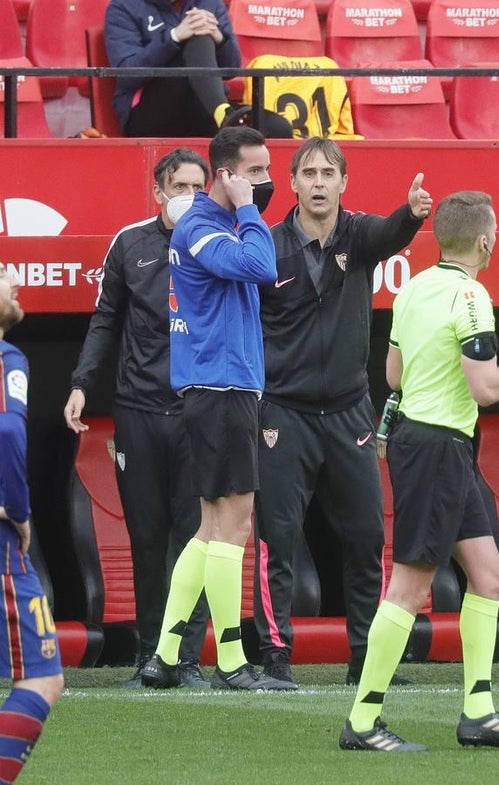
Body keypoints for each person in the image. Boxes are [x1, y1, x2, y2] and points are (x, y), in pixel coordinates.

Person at [340, 190, 499, 752]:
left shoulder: (412, 286)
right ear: (485, 241)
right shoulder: (471, 296)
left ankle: (479, 713)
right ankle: (362, 722)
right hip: (438, 446)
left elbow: (392, 375)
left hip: (436, 443)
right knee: (411, 586)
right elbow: (485, 389)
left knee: (489, 576)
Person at [256, 137, 430, 687]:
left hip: (351, 411)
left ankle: (367, 656)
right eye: (308, 173)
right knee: (276, 539)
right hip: (283, 413)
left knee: (364, 537)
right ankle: (275, 657)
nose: (318, 182)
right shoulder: (265, 243)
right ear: (292, 183)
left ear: (343, 182)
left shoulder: (358, 234)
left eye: (328, 172)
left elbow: (391, 233)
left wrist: (412, 213)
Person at [139, 127, 294, 691]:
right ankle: (231, 660)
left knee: (211, 527)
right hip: (219, 388)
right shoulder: (202, 226)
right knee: (235, 525)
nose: (265, 182)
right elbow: (259, 267)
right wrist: (251, 210)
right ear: (226, 174)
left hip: (225, 387)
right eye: (254, 172)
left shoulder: (218, 224)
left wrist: (247, 208)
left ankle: (163, 655)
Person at [64, 148, 211, 690]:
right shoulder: (130, 243)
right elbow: (105, 321)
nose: (189, 197)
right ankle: (152, 656)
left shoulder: (221, 243)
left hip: (202, 410)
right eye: (180, 187)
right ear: (159, 192)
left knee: (193, 537)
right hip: (139, 410)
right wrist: (81, 383)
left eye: (198, 186)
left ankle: (188, 658)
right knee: (147, 538)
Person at [0, 267, 66, 783]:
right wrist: (19, 511)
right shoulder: (7, 359)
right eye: (1, 274)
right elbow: (10, 435)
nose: (12, 277)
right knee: (43, 679)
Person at [104, 0, 249, 137]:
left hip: (201, 108)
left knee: (267, 122)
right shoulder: (123, 6)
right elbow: (126, 72)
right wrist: (174, 36)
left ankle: (223, 114)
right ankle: (222, 113)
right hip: (150, 112)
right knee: (199, 39)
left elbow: (231, 68)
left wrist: (218, 37)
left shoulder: (209, 3)